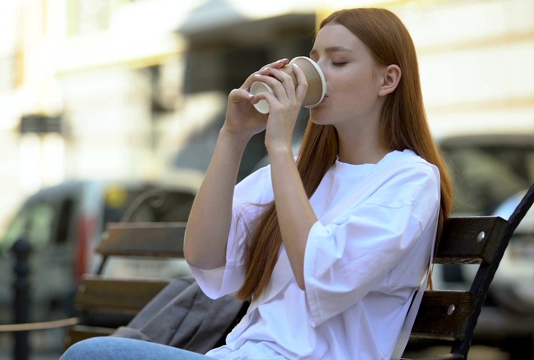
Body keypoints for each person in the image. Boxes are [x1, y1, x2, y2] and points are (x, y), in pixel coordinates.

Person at [59, 7, 452, 360]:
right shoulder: (301, 171)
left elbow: (322, 275)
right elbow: (204, 256)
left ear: (387, 80)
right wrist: (232, 137)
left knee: (92, 356)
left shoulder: (409, 179)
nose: (314, 73)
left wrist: (279, 146)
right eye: (313, 58)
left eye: (338, 61)